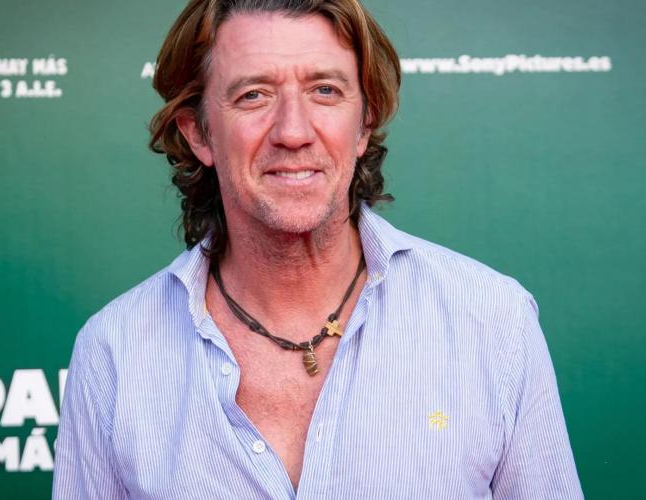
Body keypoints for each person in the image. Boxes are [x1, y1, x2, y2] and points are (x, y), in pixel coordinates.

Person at [53, 0, 583, 498]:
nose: (293, 131)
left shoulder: (493, 322)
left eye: (325, 91)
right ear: (199, 133)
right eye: (253, 95)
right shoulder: (114, 353)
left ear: (364, 122)